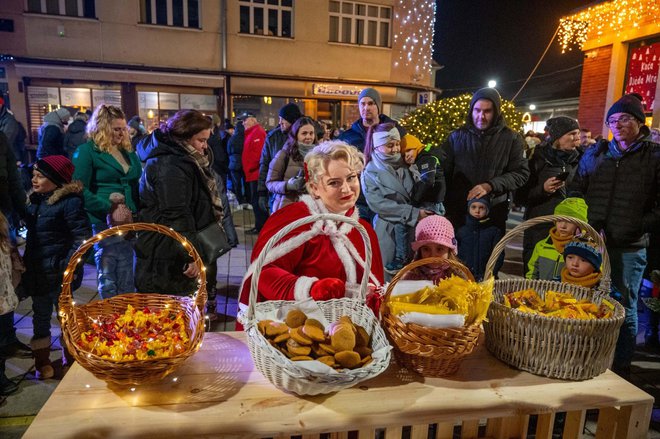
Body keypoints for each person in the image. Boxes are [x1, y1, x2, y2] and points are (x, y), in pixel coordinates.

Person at [238, 140, 383, 318]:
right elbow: (263, 274)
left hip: (350, 332)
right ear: (314, 188)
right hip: (297, 330)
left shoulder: (364, 230)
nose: (346, 188)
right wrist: (311, 289)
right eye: (334, 183)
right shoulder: (294, 220)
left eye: (351, 178)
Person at [573, 94, 660, 375]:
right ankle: (590, 360)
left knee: (624, 307)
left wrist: (636, 225)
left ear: (638, 122)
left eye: (624, 119)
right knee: (591, 302)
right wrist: (587, 222)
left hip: (629, 246)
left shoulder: (653, 157)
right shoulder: (596, 154)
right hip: (594, 243)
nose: (617, 125)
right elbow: (577, 189)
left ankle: (621, 367)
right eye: (613, 120)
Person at [135, 109, 224, 319]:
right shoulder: (170, 165)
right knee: (168, 319)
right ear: (184, 137)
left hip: (169, 250)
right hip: (164, 255)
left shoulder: (181, 158)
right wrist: (190, 255)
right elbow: (177, 216)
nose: (205, 146)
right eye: (201, 140)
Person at [23, 155, 91, 379]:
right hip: (38, 272)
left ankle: (69, 357)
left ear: (56, 179)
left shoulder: (70, 203)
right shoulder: (36, 202)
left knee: (64, 315)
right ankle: (42, 361)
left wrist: (66, 264)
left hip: (60, 272)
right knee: (40, 315)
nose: (34, 179)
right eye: (34, 174)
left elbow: (81, 238)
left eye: (40, 176)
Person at [72, 105, 141, 299]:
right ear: (102, 128)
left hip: (129, 220)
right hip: (104, 221)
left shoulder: (126, 151)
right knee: (109, 274)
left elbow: (135, 181)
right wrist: (107, 207)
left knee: (127, 272)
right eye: (116, 129)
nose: (122, 133)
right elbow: (78, 188)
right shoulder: (87, 151)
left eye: (123, 128)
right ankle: (110, 318)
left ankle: (126, 316)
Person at [441, 87, 529, 235]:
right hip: (459, 215)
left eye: (487, 111)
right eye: (477, 110)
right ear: (471, 110)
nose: (481, 116)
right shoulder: (456, 137)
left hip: (494, 214)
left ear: (496, 112)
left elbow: (521, 173)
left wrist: (490, 186)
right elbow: (444, 172)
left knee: (490, 257)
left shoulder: (512, 138)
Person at [361, 123, 431, 276]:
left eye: (398, 144)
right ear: (377, 146)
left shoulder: (407, 163)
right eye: (389, 145)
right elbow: (378, 204)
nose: (395, 149)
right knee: (389, 281)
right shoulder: (370, 172)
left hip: (413, 229)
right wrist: (413, 214)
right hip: (389, 231)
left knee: (413, 279)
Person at [516, 116, 581, 270]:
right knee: (535, 272)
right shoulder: (536, 159)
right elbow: (519, 196)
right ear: (558, 137)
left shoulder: (580, 160)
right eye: (572, 133)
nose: (577, 137)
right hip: (539, 227)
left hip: (569, 229)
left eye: (578, 133)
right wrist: (543, 190)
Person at [338, 88, 406, 221]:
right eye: (362, 104)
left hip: (388, 199)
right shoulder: (347, 137)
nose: (366, 108)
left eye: (371, 103)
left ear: (378, 106)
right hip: (359, 200)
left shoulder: (395, 130)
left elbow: (418, 148)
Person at [0, 131, 29, 370]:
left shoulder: (1, 136)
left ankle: (8, 338)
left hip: (2, 214)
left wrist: (22, 211)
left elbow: (12, 177)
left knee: (6, 280)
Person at [526, 197, 588, 281]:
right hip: (542, 292)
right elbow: (532, 272)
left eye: (569, 221)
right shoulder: (542, 246)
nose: (563, 226)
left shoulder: (585, 249)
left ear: (579, 225)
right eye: (559, 220)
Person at [257, 103, 302, 213]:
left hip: (301, 196)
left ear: (292, 120)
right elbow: (265, 165)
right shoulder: (273, 138)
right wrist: (262, 192)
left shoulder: (305, 135)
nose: (279, 122)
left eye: (283, 119)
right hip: (277, 194)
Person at [266, 116, 317, 212]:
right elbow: (270, 183)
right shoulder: (284, 154)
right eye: (304, 133)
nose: (309, 137)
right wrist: (288, 185)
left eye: (311, 133)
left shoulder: (319, 155)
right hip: (288, 207)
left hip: (312, 208)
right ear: (296, 134)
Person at [402, 215, 464, 284]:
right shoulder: (409, 277)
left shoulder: (458, 276)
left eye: (440, 249)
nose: (433, 255)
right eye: (426, 249)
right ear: (420, 251)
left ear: (449, 250)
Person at [208, 117, 238, 248]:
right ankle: (231, 238)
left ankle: (230, 239)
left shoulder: (213, 138)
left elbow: (218, 157)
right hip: (217, 172)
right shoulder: (217, 137)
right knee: (222, 207)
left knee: (222, 207)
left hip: (216, 173)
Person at [456, 197, 503, 281]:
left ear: (487, 210)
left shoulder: (494, 231)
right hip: (463, 275)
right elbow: (454, 252)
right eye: (473, 207)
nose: (477, 211)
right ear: (469, 208)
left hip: (485, 276)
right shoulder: (461, 230)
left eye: (481, 208)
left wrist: (492, 272)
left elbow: (498, 255)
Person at [0, 212, 21, 397]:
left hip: (4, 302)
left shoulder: (4, 242)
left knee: (3, 343)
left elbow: (9, 271)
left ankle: (1, 375)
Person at [403, 133, 446, 216]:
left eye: (408, 150)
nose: (407, 155)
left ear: (417, 147)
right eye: (403, 155)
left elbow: (427, 180)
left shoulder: (426, 158)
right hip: (434, 202)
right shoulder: (425, 157)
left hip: (429, 204)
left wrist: (415, 200)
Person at [241, 112, 268, 234]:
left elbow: (259, 155)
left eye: (244, 120)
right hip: (252, 173)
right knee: (255, 201)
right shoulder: (252, 133)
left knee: (257, 202)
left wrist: (251, 167)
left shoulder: (258, 133)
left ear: (252, 120)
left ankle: (261, 227)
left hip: (256, 173)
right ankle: (259, 225)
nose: (243, 123)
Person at [227, 117, 247, 205]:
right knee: (246, 182)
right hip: (244, 163)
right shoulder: (245, 138)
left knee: (236, 183)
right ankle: (247, 198)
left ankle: (239, 199)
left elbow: (228, 151)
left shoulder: (232, 139)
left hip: (234, 164)